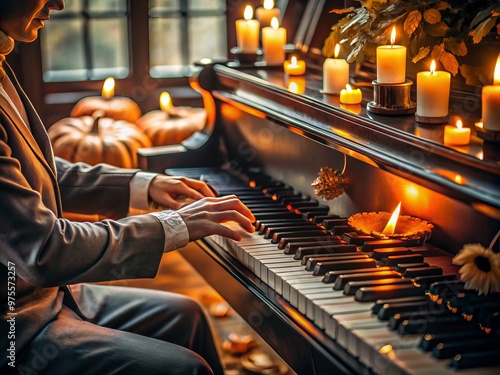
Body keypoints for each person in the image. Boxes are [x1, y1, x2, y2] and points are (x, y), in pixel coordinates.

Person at [0, 1, 255, 374]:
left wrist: (143, 183)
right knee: (184, 368)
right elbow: (45, 250)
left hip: (43, 297)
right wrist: (173, 225)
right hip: (16, 325)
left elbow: (35, 173)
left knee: (187, 316)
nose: (59, 3)